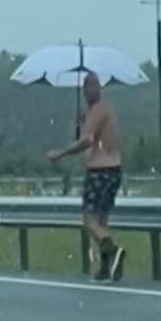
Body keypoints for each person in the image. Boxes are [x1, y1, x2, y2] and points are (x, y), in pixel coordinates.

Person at [47, 72, 126, 282]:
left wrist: (60, 153)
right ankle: (105, 267)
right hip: (114, 169)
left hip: (100, 170)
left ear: (97, 88)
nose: (86, 92)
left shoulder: (99, 110)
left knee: (89, 220)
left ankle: (112, 247)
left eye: (89, 87)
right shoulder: (104, 111)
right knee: (101, 219)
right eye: (84, 88)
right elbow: (94, 135)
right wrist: (83, 122)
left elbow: (87, 141)